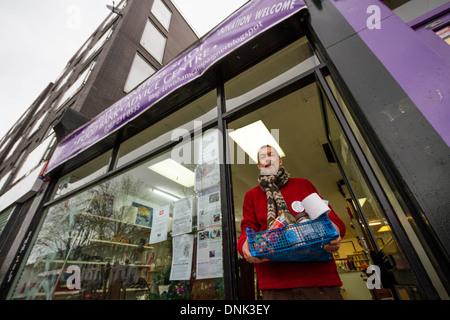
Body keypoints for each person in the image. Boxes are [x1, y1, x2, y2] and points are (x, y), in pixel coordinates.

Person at [237, 145, 346, 300]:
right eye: (262, 157)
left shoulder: (303, 185)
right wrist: (245, 246)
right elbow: (247, 228)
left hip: (318, 280)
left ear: (280, 160)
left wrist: (334, 234)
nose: (267, 159)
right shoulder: (251, 196)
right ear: (259, 165)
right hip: (275, 284)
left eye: (271, 155)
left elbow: (332, 219)